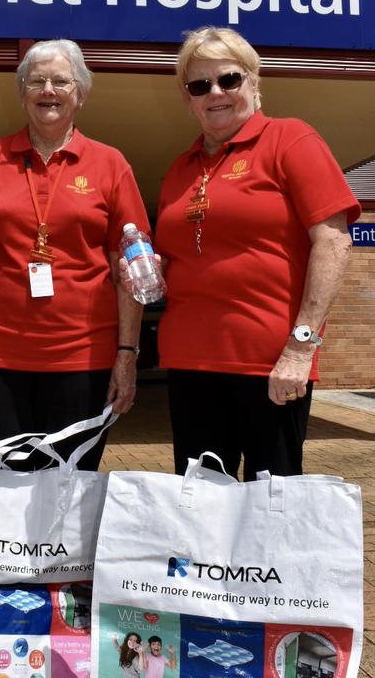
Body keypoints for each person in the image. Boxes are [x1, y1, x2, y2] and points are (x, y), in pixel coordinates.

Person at [152, 26, 360, 480]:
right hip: (190, 361)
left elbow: (333, 241)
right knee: (199, 508)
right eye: (199, 85)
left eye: (229, 79)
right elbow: (170, 262)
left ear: (254, 81)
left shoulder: (291, 139)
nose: (216, 93)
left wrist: (301, 349)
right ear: (187, 99)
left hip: (272, 364)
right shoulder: (180, 169)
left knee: (272, 508)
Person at [0, 39, 149, 470]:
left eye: (61, 81)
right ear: (22, 93)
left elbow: (129, 269)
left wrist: (127, 353)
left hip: (82, 356)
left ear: (80, 94)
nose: (49, 90)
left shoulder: (111, 164)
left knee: (67, 490)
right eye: (37, 80)